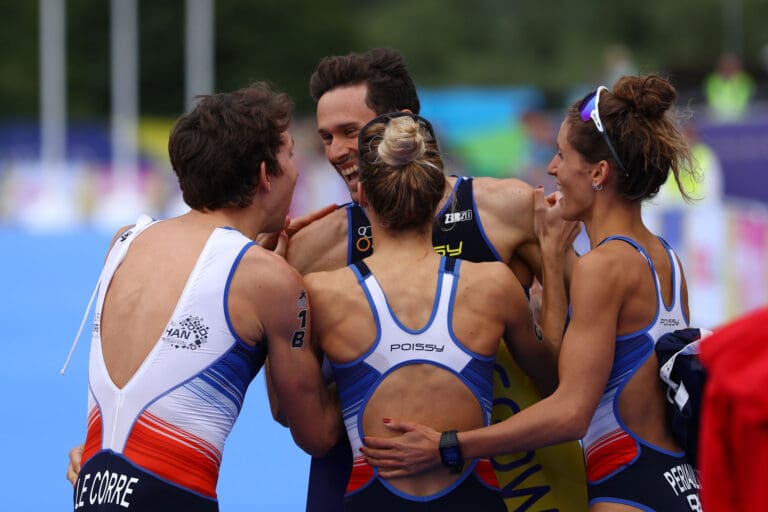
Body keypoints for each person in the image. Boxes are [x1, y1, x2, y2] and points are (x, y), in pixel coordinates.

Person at [361, 75, 704, 511]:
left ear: (599, 173)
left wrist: (451, 445)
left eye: (561, 154)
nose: (551, 168)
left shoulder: (602, 267)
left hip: (628, 485)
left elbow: (570, 412)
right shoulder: (665, 259)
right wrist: (550, 255)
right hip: (680, 482)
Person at [286, 47, 586, 512]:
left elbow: (590, 332)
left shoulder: (505, 209)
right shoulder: (315, 245)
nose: (336, 151)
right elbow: (289, 403)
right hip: (357, 478)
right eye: (325, 137)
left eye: (350, 132)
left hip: (510, 479)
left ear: (402, 125)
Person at [68, 82, 341, 511]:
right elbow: (318, 435)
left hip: (92, 489)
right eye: (291, 154)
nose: (299, 165)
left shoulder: (125, 241)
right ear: (265, 175)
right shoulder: (268, 278)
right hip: (173, 497)